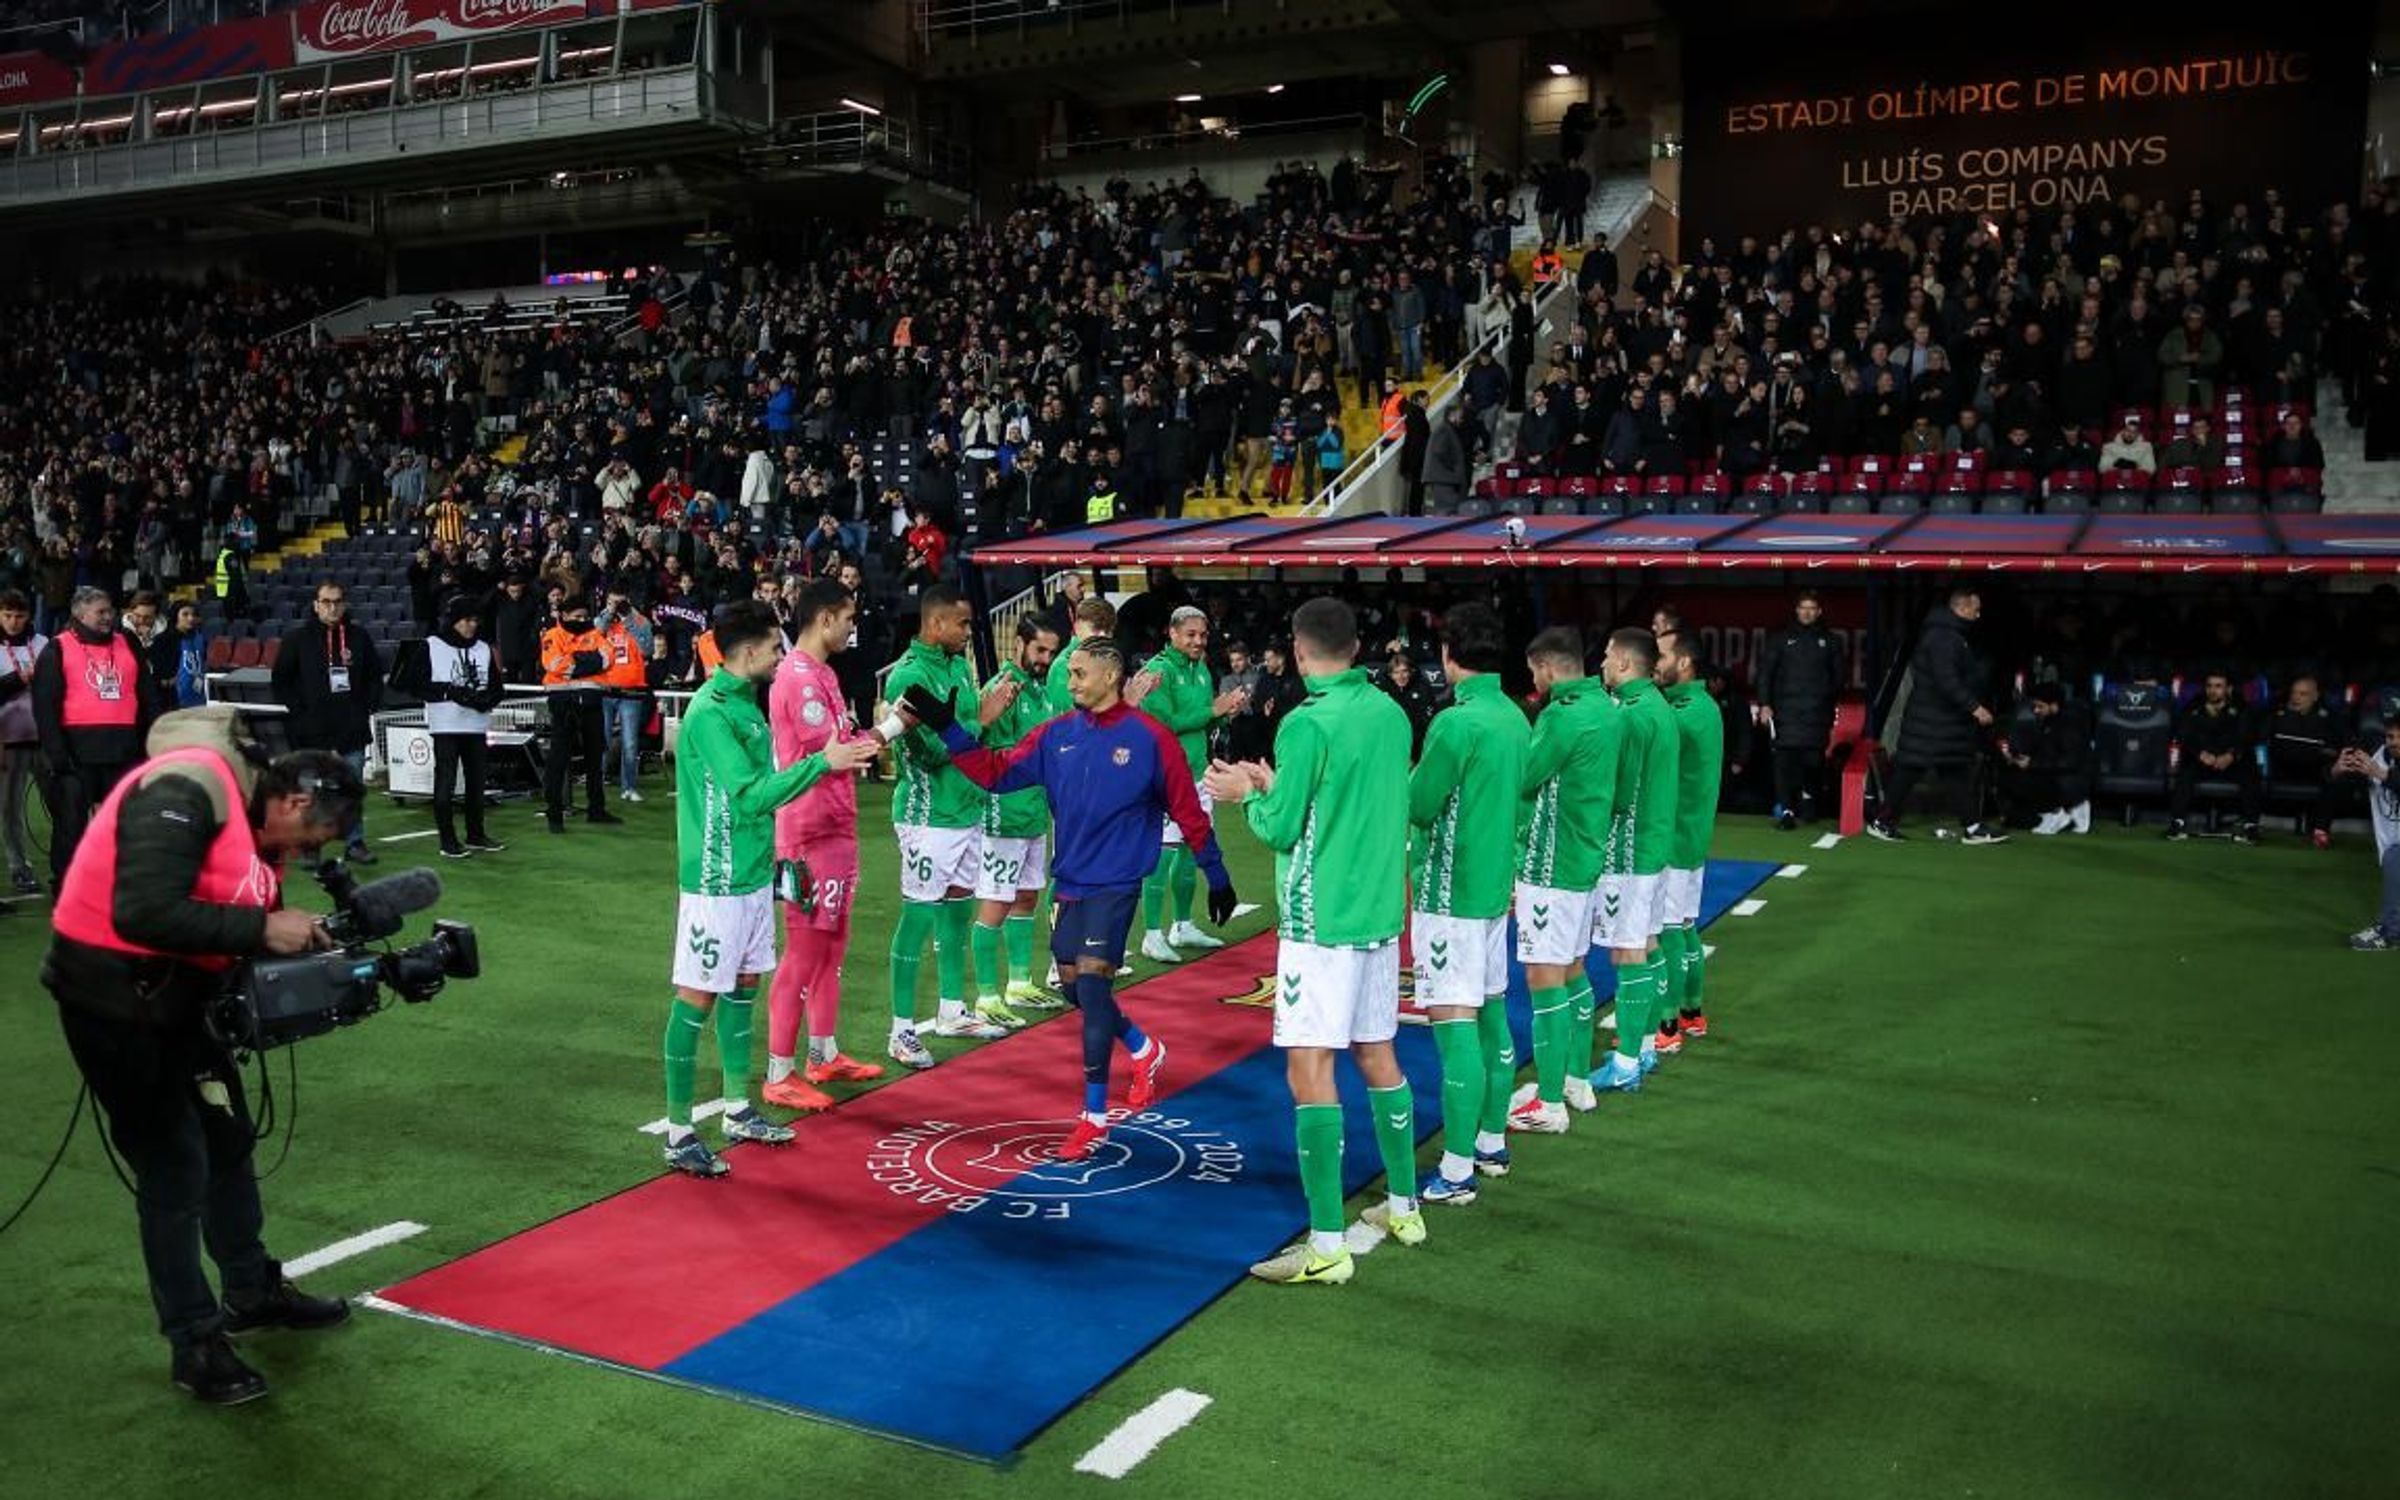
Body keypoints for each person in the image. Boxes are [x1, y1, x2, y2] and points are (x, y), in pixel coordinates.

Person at [43, 706, 363, 1404]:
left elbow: (228, 913)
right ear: (296, 801)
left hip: (179, 999)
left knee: (226, 1140)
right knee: (174, 1166)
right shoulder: (188, 788)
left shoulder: (254, 820)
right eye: (314, 836)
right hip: (112, 1005)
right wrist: (261, 926)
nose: (310, 854)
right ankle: (192, 1341)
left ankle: (249, 1292)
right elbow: (143, 910)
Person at [916, 635, 1237, 1161]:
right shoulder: (1056, 735)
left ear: (1112, 675)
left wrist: (1216, 873)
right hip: (1070, 883)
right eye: (1069, 674)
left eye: (1080, 673)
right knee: (1076, 991)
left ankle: (1092, 1117)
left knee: (1090, 988)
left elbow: (1187, 808)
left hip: (1118, 883)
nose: (1071, 682)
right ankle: (1143, 1048)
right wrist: (946, 727)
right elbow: (995, 774)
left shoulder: (1151, 738)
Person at [1207, 597, 1419, 1286]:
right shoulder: (1390, 713)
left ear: (1299, 651)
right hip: (1380, 915)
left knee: (1310, 1067)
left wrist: (1248, 792)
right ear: (1356, 648)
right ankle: (1406, 1206)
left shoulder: (1305, 722)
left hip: (1321, 921)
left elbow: (1280, 828)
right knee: (1378, 1052)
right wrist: (1278, 786)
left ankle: (1327, 1243)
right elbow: (1343, 798)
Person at [659, 600, 883, 1178]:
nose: (781, 656)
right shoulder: (711, 714)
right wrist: (826, 763)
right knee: (697, 999)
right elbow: (751, 794)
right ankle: (679, 1131)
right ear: (751, 651)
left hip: (754, 874)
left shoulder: (745, 705)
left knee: (743, 989)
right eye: (775, 647)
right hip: (715, 880)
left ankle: (737, 1109)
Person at [1402, 602, 1529, 1204]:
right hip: (1490, 891)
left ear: (1451, 656)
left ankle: (1456, 1173)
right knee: (1492, 1018)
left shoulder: (1457, 723)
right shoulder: (1514, 718)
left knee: (1455, 1029)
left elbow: (1421, 804)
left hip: (1449, 894)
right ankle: (1490, 1141)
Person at [761, 580, 896, 1111]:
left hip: (834, 825)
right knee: (804, 948)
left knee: (832, 942)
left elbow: (846, 745)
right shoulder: (798, 678)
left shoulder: (823, 674)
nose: (851, 626)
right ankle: (779, 1072)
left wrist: (889, 727)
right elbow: (836, 754)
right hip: (809, 830)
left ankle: (822, 1054)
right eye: (847, 617)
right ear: (822, 619)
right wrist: (893, 729)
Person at [882, 584, 1008, 1068]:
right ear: (935, 625)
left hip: (966, 809)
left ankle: (953, 1009)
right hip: (927, 817)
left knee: (957, 908)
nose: (968, 632)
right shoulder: (907, 678)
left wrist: (975, 719)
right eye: (961, 624)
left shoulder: (957, 664)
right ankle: (900, 1031)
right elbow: (930, 753)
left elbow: (962, 731)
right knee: (916, 918)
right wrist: (981, 721)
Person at [1505, 627, 1617, 1136]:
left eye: (1534, 671)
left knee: (1544, 978)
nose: (1534, 680)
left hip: (1552, 866)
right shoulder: (1607, 709)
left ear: (1548, 666)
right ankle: (1574, 1079)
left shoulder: (1562, 716)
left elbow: (1525, 775)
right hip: (1585, 859)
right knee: (1572, 971)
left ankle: (1548, 1102)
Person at [1586, 627, 1678, 1093]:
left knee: (1629, 952)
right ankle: (1641, 1048)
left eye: (1605, 656)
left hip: (1630, 850)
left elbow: (1618, 790)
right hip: (1653, 846)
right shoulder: (1657, 708)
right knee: (1647, 943)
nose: (1601, 663)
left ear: (1624, 663)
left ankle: (1625, 1063)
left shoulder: (1631, 715)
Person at [1131, 605, 1248, 964]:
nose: (1198, 641)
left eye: (1203, 635)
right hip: (1163, 777)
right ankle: (1152, 934)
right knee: (1162, 854)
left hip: (1197, 776)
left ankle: (1182, 926)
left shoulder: (1201, 670)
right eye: (1191, 635)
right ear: (1173, 634)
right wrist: (1212, 710)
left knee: (1189, 851)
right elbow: (1164, 724)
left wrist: (1224, 717)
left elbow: (1202, 724)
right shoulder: (1158, 673)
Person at [969, 616, 1065, 1029]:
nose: (1046, 659)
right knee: (996, 900)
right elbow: (990, 750)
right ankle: (987, 995)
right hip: (1004, 811)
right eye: (1039, 650)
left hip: (1033, 811)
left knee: (1027, 896)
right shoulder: (1002, 690)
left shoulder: (1039, 693)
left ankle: (1019, 983)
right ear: (1019, 645)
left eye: (1051, 652)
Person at [34, 586, 166, 882]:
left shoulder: (128, 642)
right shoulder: (57, 648)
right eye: (101, 612)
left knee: (127, 823)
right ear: (80, 614)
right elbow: (44, 707)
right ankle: (67, 887)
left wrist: (157, 738)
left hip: (125, 752)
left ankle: (123, 884)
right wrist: (57, 756)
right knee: (71, 826)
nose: (109, 617)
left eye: (110, 611)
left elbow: (148, 697)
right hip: (76, 756)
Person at [1869, 589, 2005, 845]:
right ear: (1962, 609)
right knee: (1913, 771)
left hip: (1938, 722)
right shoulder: (1943, 638)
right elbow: (1947, 680)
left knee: (1952, 772)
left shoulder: (1949, 635)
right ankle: (1883, 821)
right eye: (1975, 610)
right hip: (1932, 722)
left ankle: (1972, 826)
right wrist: (1974, 707)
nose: (1978, 615)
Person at [272, 582, 384, 864]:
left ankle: (355, 842)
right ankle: (310, 846)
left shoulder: (359, 638)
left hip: (352, 731)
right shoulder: (297, 639)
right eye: (326, 602)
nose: (332, 607)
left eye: (337, 601)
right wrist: (300, 713)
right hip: (311, 734)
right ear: (316, 605)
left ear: (344, 604)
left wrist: (365, 709)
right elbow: (281, 681)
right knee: (310, 792)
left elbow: (374, 677)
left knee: (351, 791)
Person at [1653, 632, 1723, 1049]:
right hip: (1692, 835)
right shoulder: (1701, 706)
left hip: (1675, 838)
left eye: (1661, 655)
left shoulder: (1684, 714)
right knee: (1684, 925)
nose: (1654, 662)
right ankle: (1692, 1012)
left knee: (1668, 932)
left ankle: (1666, 1027)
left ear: (1684, 664)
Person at [408, 595, 508, 859]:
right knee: (446, 784)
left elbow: (497, 687)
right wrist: (449, 692)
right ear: (454, 620)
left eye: (475, 620)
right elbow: (414, 684)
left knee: (476, 784)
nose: (471, 625)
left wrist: (487, 699)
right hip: (446, 726)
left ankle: (476, 834)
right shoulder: (432, 645)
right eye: (466, 620)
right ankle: (447, 840)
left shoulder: (483, 648)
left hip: (476, 725)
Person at [1755, 591, 1843, 828]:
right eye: (1803, 607)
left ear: (1819, 611)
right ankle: (1786, 810)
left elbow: (1838, 678)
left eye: (1812, 608)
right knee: (1784, 763)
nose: (1807, 612)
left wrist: (1824, 699)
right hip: (1785, 712)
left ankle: (1808, 799)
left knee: (1813, 762)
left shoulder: (1831, 641)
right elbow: (1766, 674)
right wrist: (1765, 703)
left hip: (1816, 714)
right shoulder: (1780, 639)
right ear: (1796, 610)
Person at [539, 594, 622, 835]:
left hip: (592, 703)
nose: (582, 620)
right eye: (577, 617)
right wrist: (590, 662)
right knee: (558, 760)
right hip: (564, 704)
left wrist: (575, 662)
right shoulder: (552, 635)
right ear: (563, 616)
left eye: (585, 616)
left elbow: (609, 658)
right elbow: (554, 664)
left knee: (595, 758)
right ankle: (554, 815)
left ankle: (597, 809)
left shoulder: (595, 633)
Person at [2167, 671, 2262, 843]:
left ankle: (2251, 826)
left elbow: (2247, 736)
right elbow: (2183, 734)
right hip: (2203, 760)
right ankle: (2177, 823)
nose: (2213, 690)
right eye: (2210, 686)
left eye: (2218, 686)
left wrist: (2231, 755)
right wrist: (2200, 753)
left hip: (2230, 761)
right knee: (2185, 769)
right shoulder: (2194, 706)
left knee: (2250, 767)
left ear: (2228, 689)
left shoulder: (2241, 707)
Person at [0, 590, 48, 895]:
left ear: (28, 615)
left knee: (60, 805)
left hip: (45, 738)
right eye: (6, 615)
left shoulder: (43, 644)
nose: (13, 622)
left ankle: (68, 865)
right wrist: (20, 679)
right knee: (11, 810)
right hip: (8, 741)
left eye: (19, 616)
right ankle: (20, 868)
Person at [2001, 682, 2094, 836]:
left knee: (2020, 782)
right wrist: (2017, 757)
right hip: (2053, 775)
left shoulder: (2071, 724)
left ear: (2054, 705)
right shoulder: (2048, 721)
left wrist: (2032, 764)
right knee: (2012, 811)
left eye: (2040, 706)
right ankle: (2062, 812)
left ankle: (2061, 811)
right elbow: (2044, 752)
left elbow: (2071, 762)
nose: (2036, 710)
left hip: (2071, 781)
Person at [2338, 724, 2400, 949]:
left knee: (2395, 860)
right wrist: (2337, 770)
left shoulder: (2379, 767)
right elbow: (2341, 785)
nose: (2394, 741)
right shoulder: (2378, 757)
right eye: (2391, 736)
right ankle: (2389, 927)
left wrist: (2381, 774)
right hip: (2391, 839)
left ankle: (2391, 933)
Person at [2265, 676, 2342, 847]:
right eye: (2294, 693)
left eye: (2303, 694)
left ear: (2315, 696)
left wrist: (2327, 753)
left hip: (2315, 769)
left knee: (2334, 776)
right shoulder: (2278, 714)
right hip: (2283, 767)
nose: (2296, 698)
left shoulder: (2329, 717)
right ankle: (2251, 826)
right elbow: (2264, 739)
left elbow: (2339, 746)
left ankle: (2320, 830)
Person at [595, 590, 652, 804]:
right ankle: (596, 784)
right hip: (605, 689)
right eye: (611, 602)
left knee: (629, 743)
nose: (615, 606)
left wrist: (628, 620)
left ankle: (629, 787)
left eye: (619, 602)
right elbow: (595, 635)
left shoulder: (640, 621)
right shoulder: (601, 620)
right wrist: (609, 614)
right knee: (602, 740)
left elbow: (646, 650)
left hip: (631, 690)